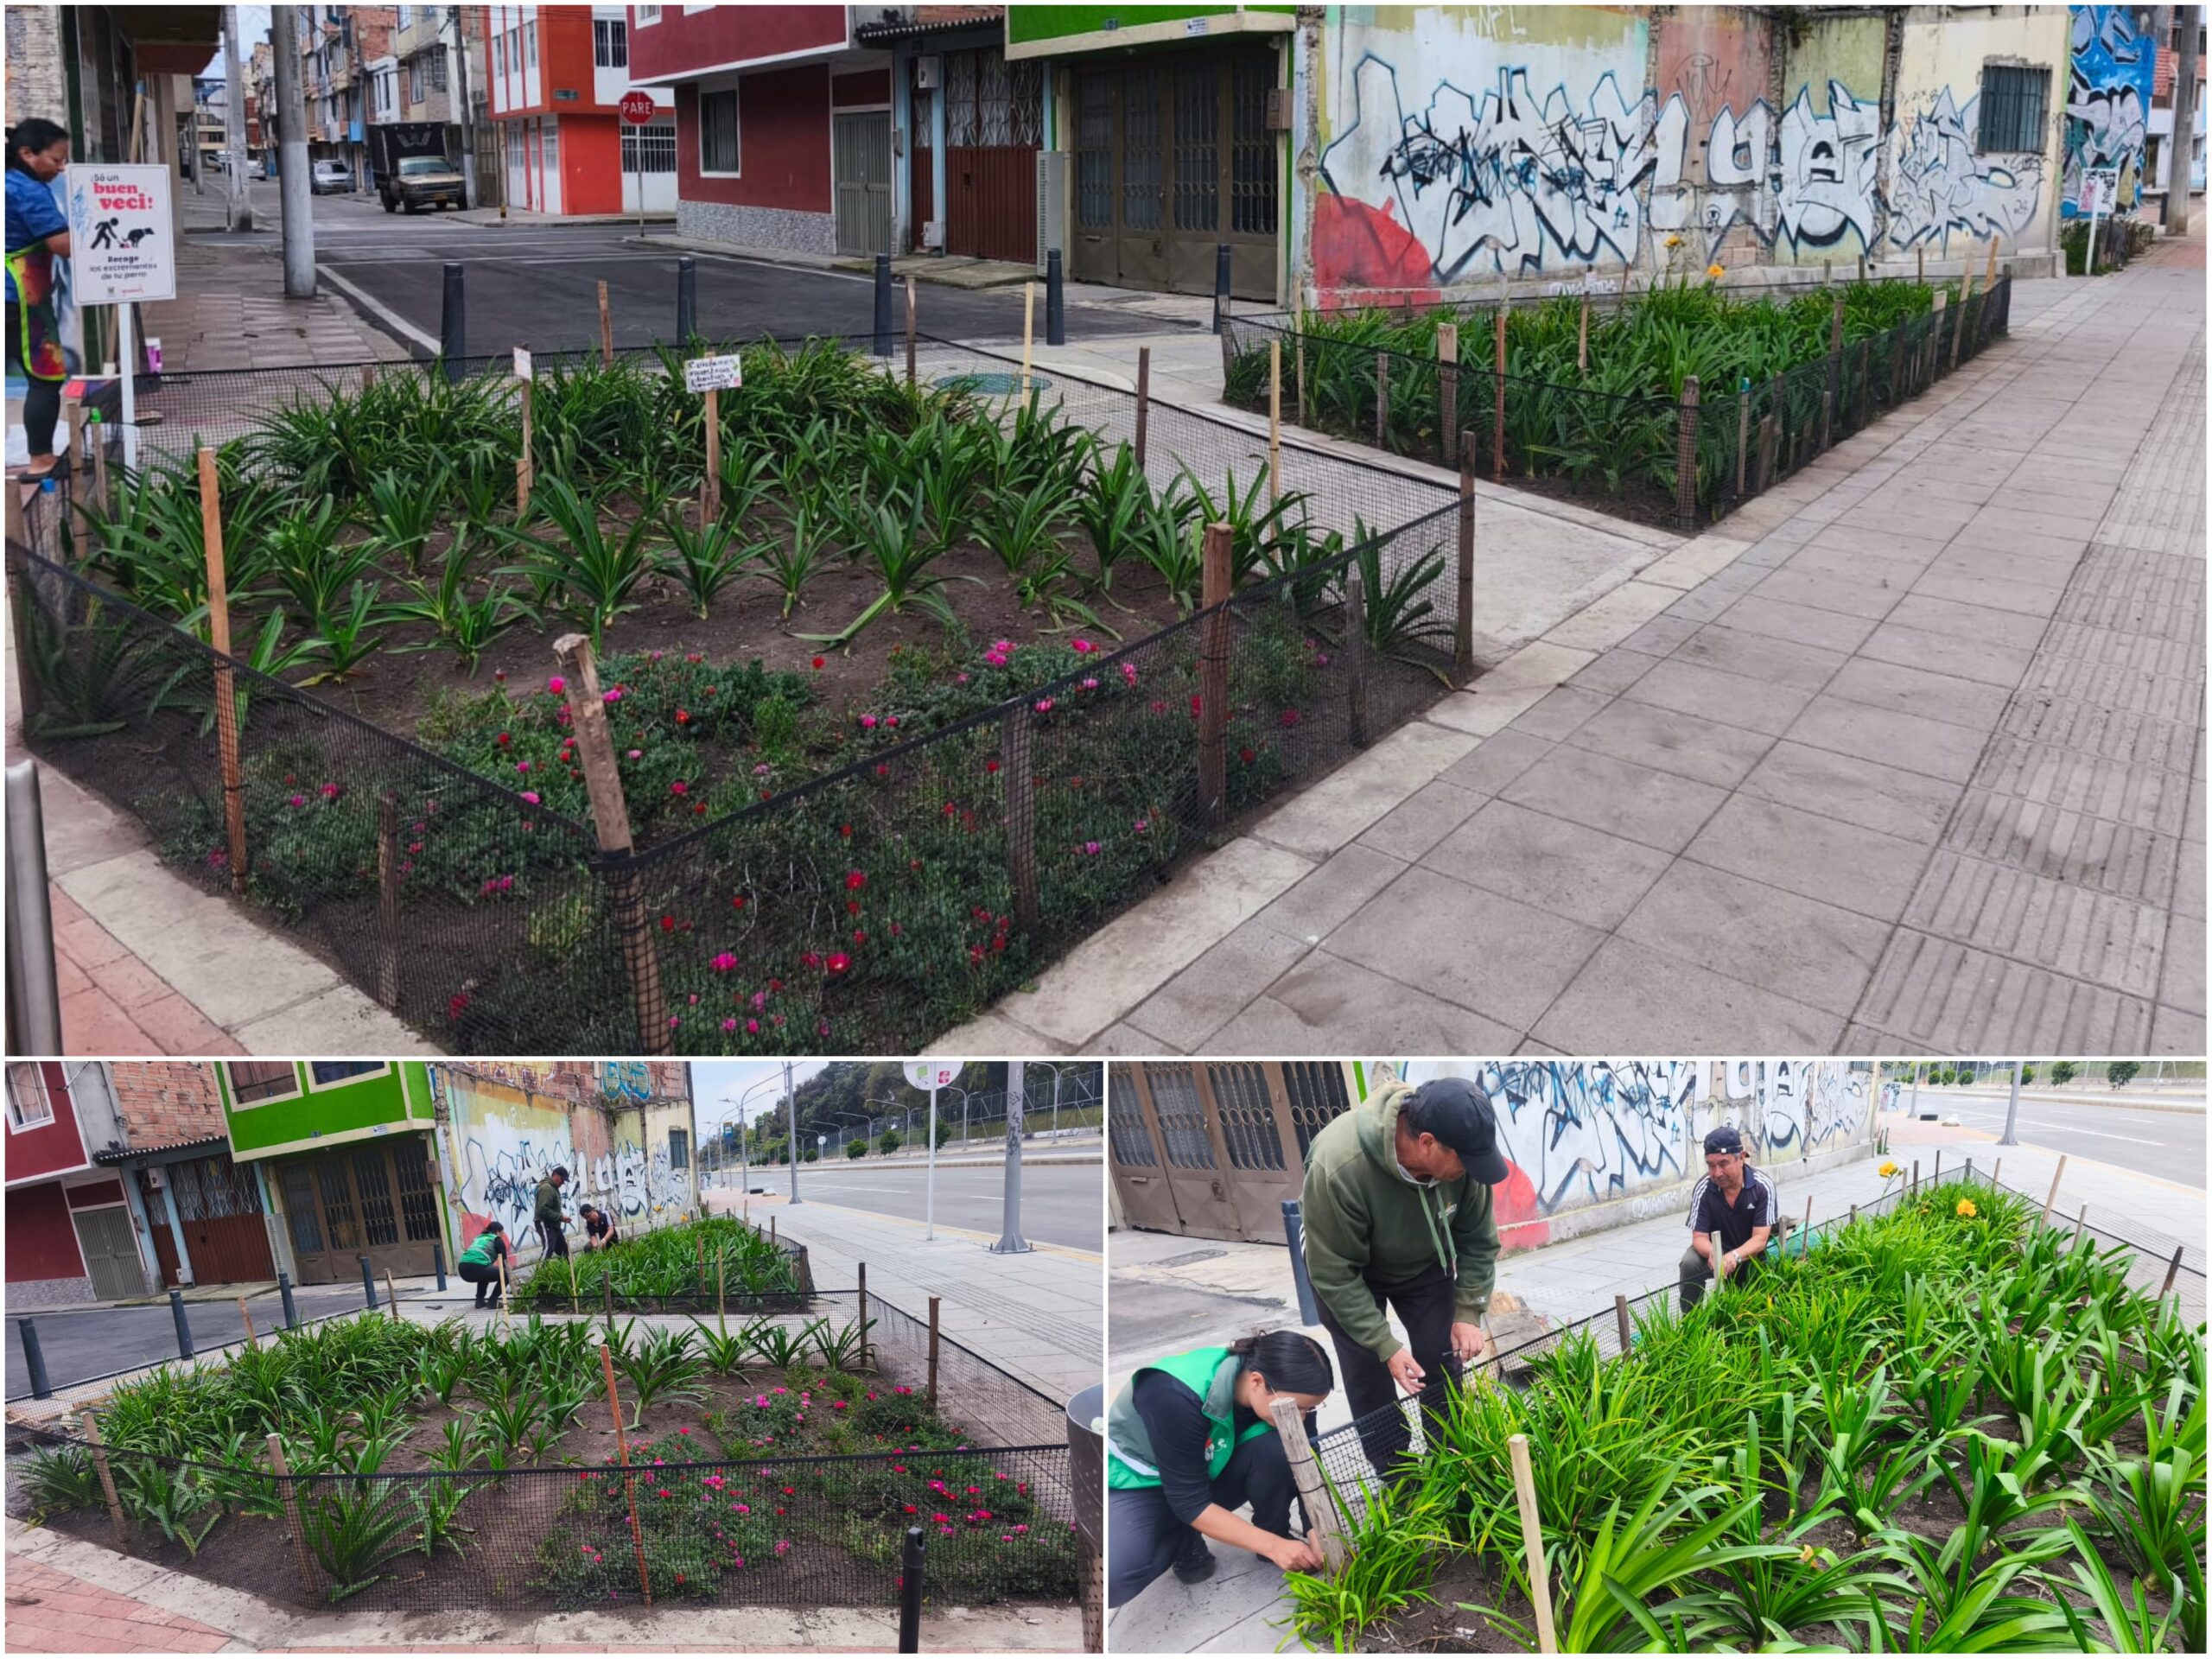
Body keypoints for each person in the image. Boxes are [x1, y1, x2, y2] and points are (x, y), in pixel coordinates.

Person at [1300, 1073, 1505, 1481]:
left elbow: (1480, 1242)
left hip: (1425, 1263)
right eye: (1464, 1160)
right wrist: (1384, 1344)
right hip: (1346, 1270)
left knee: (1441, 1359)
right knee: (1369, 1375)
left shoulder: (1462, 1170)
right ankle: (1396, 1474)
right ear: (1427, 1143)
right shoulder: (1338, 1165)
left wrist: (1467, 1311)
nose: (1470, 1170)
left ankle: (1451, 1458)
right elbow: (1333, 1272)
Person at [1104, 1331, 1334, 1609]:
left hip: (1208, 1468)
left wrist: (1317, 1530)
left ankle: (1273, 1533)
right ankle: (1186, 1538)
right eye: (1297, 1408)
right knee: (1116, 1576)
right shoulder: (1174, 1393)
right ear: (1257, 1382)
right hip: (1143, 1481)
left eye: (1309, 1409)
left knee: (1279, 1449)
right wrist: (1273, 1546)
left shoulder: (1290, 1393)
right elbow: (1189, 1500)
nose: (1302, 1417)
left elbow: (1307, 1462)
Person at [6, 118, 72, 490]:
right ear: (27, 154)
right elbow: (61, 244)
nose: (60, 168)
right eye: (56, 160)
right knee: (45, 376)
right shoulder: (26, 189)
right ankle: (41, 458)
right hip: (18, 295)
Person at [1680, 1124, 1778, 1312]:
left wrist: (1734, 1256)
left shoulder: (1762, 1187)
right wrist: (1715, 1255)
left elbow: (1760, 1239)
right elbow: (1699, 1238)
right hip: (1715, 1250)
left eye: (1723, 1164)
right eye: (1711, 1165)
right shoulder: (1704, 1188)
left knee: (1754, 1301)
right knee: (1690, 1263)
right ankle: (1691, 1323)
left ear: (1741, 1158)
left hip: (1750, 1252)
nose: (1717, 1173)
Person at [456, 1220, 512, 1308]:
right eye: (502, 1233)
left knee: (485, 1273)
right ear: (497, 1232)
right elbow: (504, 1263)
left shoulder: (478, 1238)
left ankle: (479, 1302)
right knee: (505, 1274)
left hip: (462, 1268)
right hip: (477, 1266)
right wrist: (511, 1280)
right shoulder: (496, 1239)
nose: (502, 1235)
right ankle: (492, 1302)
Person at [533, 1165, 570, 1260]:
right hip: (545, 1223)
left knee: (564, 1250)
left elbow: (551, 1209)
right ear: (555, 1175)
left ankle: (571, 1272)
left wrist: (561, 1217)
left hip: (553, 1224)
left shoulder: (553, 1188)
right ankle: (540, 1274)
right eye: (562, 1179)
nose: (562, 1183)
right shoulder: (547, 1188)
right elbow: (542, 1210)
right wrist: (560, 1217)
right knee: (548, 1248)